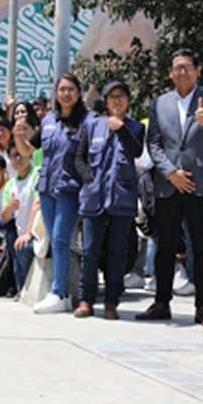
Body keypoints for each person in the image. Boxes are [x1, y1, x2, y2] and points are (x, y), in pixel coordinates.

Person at [138, 50, 203, 327]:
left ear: (198, 70)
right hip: (169, 185)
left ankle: (202, 307)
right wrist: (170, 173)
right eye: (177, 68)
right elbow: (154, 143)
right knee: (165, 248)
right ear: (170, 73)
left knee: (202, 248)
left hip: (201, 186)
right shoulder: (161, 103)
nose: (182, 72)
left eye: (188, 67)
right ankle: (162, 302)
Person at [73, 81, 145, 320]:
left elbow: (136, 151)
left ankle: (112, 302)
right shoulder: (91, 125)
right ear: (105, 101)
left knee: (118, 251)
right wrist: (87, 178)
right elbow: (79, 158)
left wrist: (120, 128)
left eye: (121, 97)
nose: (117, 101)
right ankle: (86, 300)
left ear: (128, 101)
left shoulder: (135, 127)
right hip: (94, 196)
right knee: (90, 250)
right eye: (112, 97)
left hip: (121, 197)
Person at [26, 73, 91, 315]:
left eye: (71, 89)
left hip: (70, 189)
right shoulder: (48, 121)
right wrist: (18, 132)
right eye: (62, 89)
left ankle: (59, 292)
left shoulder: (87, 121)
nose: (66, 94)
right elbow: (29, 150)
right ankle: (60, 293)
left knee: (63, 239)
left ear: (79, 92)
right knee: (54, 240)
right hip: (47, 188)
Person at [5, 142, 39, 293]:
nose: (18, 159)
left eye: (21, 154)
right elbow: (5, 217)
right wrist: (10, 207)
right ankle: (21, 289)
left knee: (24, 246)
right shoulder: (10, 185)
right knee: (13, 241)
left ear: (30, 154)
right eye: (14, 156)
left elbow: (37, 205)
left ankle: (27, 290)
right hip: (21, 232)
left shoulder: (37, 174)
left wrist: (28, 233)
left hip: (37, 232)